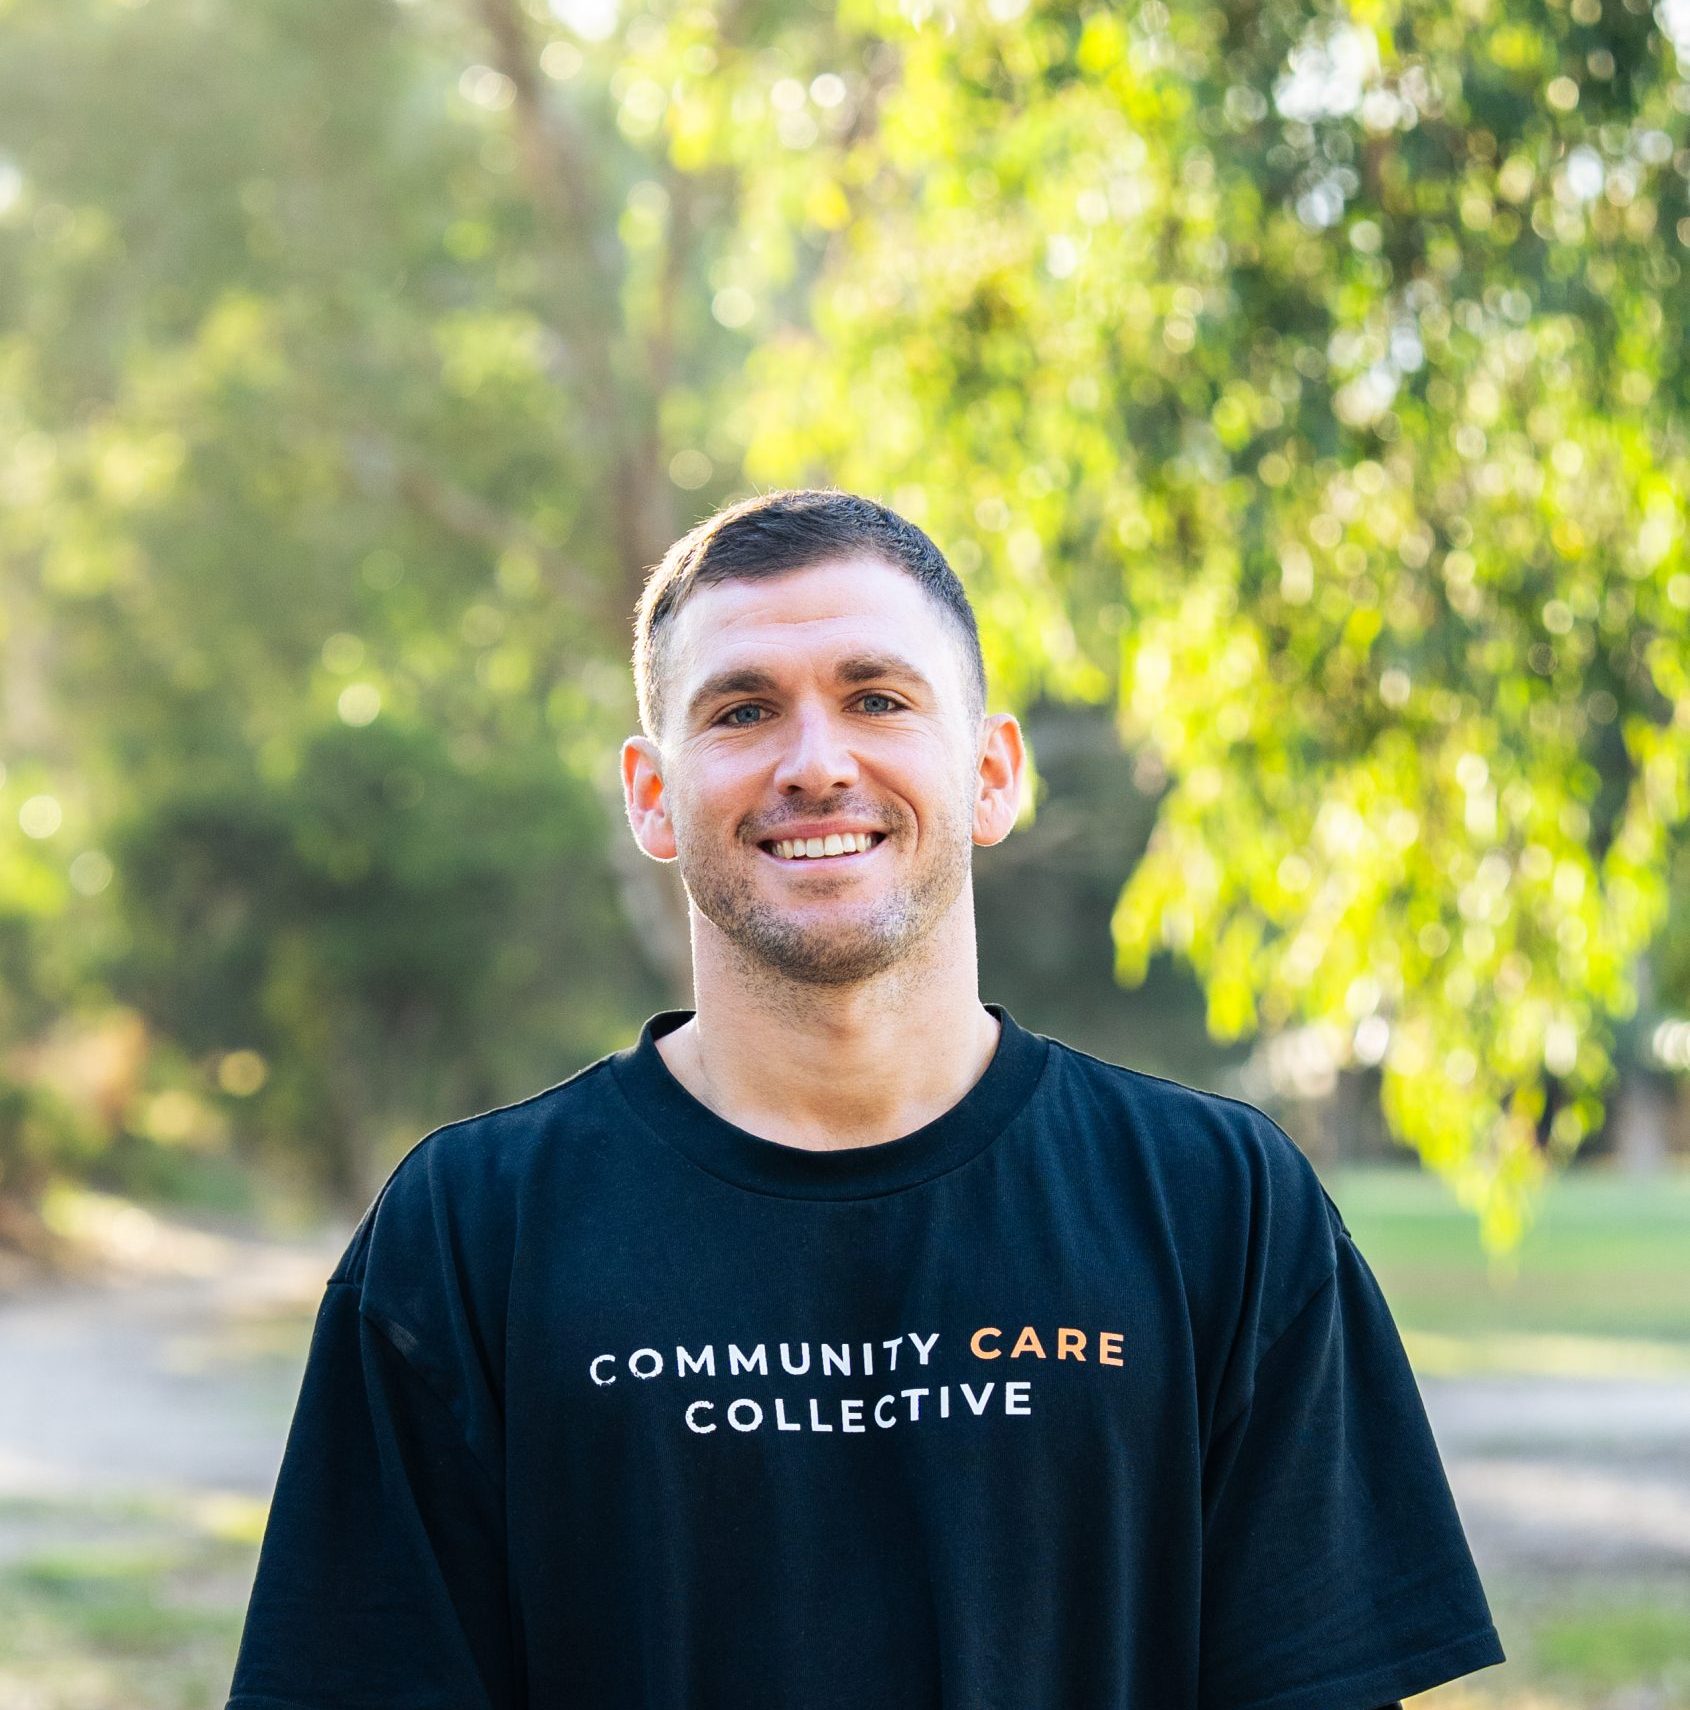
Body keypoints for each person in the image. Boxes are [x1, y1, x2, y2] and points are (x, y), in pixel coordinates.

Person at [226, 489, 1505, 1709]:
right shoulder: (468, 1233)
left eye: (878, 697)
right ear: (652, 795)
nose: (815, 763)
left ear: (991, 772)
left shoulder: (1215, 1202)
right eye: (739, 712)